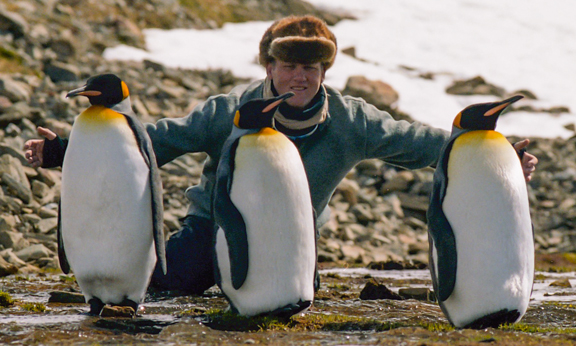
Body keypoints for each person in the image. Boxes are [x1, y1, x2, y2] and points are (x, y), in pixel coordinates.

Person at [24, 15, 538, 294]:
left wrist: (501, 162)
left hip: (289, 243)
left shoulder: (351, 120)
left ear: (324, 73)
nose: (300, 75)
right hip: (214, 229)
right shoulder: (232, 109)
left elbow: (423, 144)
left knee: (282, 307)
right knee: (165, 285)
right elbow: (156, 139)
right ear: (269, 65)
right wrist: (66, 150)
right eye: (289, 63)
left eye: (311, 67)